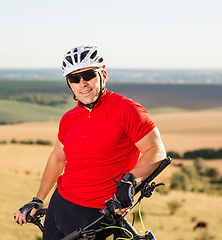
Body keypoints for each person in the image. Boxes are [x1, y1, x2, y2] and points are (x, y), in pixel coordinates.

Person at [14, 45, 167, 239]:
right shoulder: (69, 119)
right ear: (69, 84)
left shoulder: (127, 110)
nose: (82, 83)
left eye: (88, 75)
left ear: (102, 75)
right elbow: (58, 159)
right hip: (59, 204)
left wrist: (129, 181)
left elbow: (156, 150)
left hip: (95, 215)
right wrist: (38, 199)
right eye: (74, 79)